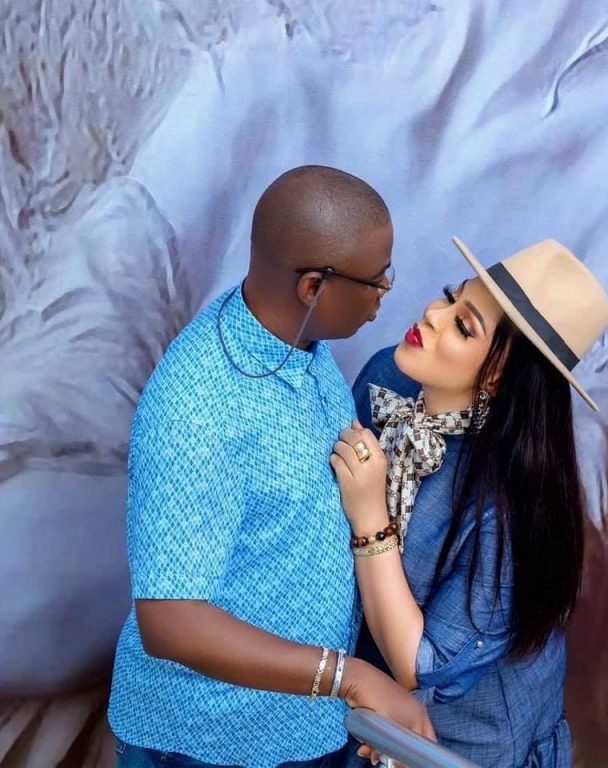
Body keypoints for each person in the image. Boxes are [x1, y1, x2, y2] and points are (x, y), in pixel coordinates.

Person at [107, 165, 434, 768]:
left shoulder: (303, 345)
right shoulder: (198, 403)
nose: (387, 290)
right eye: (376, 279)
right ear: (313, 287)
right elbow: (169, 620)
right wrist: (351, 677)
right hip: (204, 746)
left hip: (304, 728)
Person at [330, 236, 608, 767]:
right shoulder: (388, 378)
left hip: (462, 742)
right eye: (449, 296)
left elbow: (420, 666)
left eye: (463, 325)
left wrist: (370, 517)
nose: (433, 314)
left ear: (499, 374)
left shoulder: (507, 512)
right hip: (365, 697)